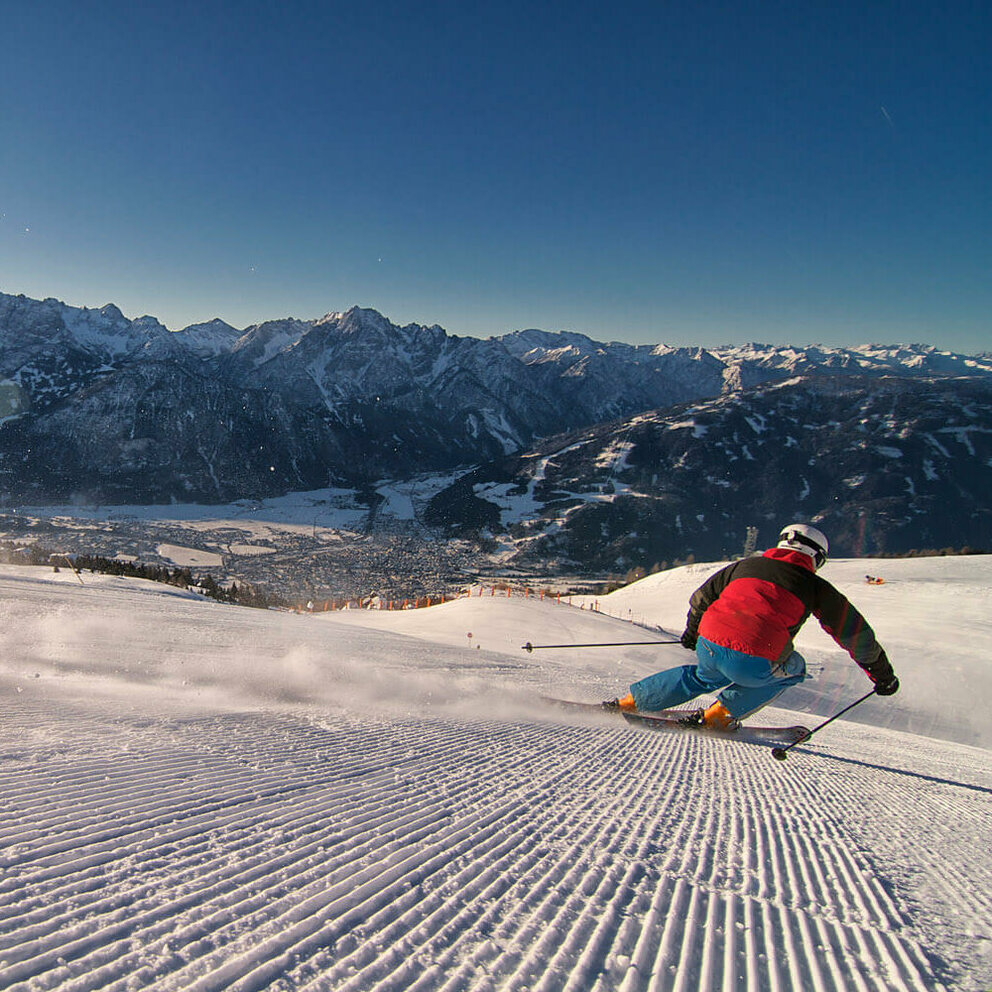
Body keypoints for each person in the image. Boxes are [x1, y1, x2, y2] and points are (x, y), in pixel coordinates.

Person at [603, 523, 899, 730]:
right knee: (794, 668)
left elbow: (701, 598)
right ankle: (721, 714)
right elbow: (857, 636)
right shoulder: (815, 586)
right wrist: (882, 676)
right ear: (817, 557)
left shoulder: (743, 566)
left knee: (701, 677)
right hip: (755, 658)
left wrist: (693, 633)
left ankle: (631, 701)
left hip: (709, 644)